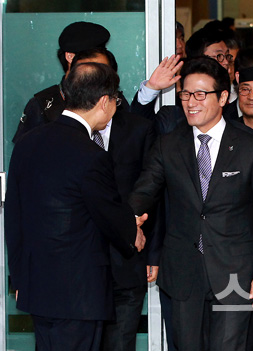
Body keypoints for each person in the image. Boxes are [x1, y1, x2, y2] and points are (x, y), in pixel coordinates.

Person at [128, 57, 253, 351]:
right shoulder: (168, 145)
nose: (191, 102)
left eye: (201, 94)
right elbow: (144, 192)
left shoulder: (252, 148)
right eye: (185, 94)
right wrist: (127, 217)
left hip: (235, 272)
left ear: (223, 97)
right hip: (183, 272)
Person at [5, 62, 147, 351]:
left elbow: (14, 216)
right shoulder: (90, 154)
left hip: (37, 287)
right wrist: (133, 231)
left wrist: (19, 277)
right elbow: (106, 212)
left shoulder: (27, 143)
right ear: (104, 101)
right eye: (116, 101)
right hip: (78, 294)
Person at [68, 48, 158, 351]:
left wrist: (152, 252)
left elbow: (153, 189)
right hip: (76, 266)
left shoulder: (138, 129)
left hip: (127, 262)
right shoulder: (63, 132)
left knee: (121, 344)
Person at [12, 21, 110, 143]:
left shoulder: (113, 99)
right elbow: (25, 154)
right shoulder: (43, 105)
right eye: (93, 56)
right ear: (70, 57)